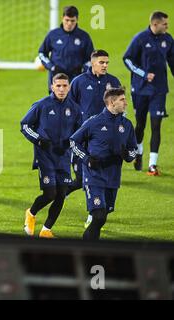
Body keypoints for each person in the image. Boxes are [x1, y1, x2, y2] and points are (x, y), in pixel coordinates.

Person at [70, 87, 137, 240]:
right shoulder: (94, 122)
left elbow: (133, 150)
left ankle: (91, 250)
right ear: (112, 103)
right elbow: (74, 141)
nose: (126, 103)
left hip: (113, 178)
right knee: (99, 216)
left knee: (102, 217)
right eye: (122, 100)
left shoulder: (126, 125)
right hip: (94, 176)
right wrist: (86, 159)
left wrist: (128, 155)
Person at [21, 73, 82, 238]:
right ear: (52, 87)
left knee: (61, 194)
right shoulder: (42, 105)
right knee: (50, 194)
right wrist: (38, 140)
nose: (61, 89)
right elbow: (25, 125)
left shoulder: (75, 109)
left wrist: (72, 144)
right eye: (58, 86)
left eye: (64, 86)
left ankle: (46, 230)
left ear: (69, 87)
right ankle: (31, 213)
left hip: (63, 157)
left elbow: (80, 132)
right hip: (45, 156)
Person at [67, 49, 121, 227]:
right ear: (92, 63)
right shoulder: (79, 82)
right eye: (102, 62)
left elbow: (120, 105)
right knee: (83, 177)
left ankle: (94, 210)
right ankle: (93, 210)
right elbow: (70, 107)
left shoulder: (113, 82)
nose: (105, 65)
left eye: (107, 62)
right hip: (84, 137)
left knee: (100, 176)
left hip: (105, 138)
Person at [123, 11, 174, 176]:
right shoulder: (140, 39)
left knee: (156, 125)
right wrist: (143, 74)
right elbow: (127, 59)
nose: (167, 26)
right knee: (140, 125)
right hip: (140, 89)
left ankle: (152, 165)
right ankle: (138, 154)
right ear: (155, 24)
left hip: (159, 90)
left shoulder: (168, 39)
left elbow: (173, 62)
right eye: (165, 24)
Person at [38, 5, 94, 92]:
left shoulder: (84, 36)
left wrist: (83, 69)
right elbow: (42, 53)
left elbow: (91, 58)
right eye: (67, 20)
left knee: (74, 104)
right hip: (57, 79)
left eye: (72, 21)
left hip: (76, 79)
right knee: (56, 104)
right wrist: (52, 67)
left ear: (77, 20)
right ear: (62, 18)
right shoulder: (53, 35)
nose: (69, 23)